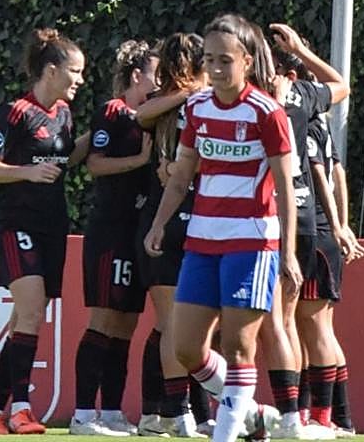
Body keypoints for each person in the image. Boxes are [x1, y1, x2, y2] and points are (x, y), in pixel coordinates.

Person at [145, 14, 301, 442]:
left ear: (246, 61)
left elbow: (285, 187)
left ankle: (227, 433)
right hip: (201, 242)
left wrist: (287, 252)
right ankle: (252, 416)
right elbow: (181, 176)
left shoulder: (267, 113)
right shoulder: (196, 107)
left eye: (224, 60)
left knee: (238, 348)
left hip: (251, 244)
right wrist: (159, 224)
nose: (215, 69)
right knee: (186, 347)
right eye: (209, 59)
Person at [0, 29, 88, 435]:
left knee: (30, 315)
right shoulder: (15, 112)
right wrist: (26, 171)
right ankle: (21, 409)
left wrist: (96, 139)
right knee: (31, 307)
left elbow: (63, 159)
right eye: (74, 72)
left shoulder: (63, 114)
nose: (79, 80)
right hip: (16, 224)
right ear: (52, 70)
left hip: (52, 226)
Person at [256, 25, 350, 440]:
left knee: (278, 324)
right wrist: (300, 50)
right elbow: (340, 85)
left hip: (271, 215)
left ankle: (293, 416)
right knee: (291, 323)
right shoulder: (306, 97)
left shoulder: (255, 100)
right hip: (306, 217)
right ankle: (319, 419)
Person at [71, 41, 158, 436]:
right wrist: (139, 161)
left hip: (134, 233)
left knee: (125, 324)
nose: (161, 82)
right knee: (103, 319)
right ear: (137, 75)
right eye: (156, 73)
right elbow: (95, 164)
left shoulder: (152, 118)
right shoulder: (114, 111)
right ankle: (83, 413)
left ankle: (111, 412)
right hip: (109, 230)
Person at [134, 34, 211, 438]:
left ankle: (184, 411)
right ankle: (174, 411)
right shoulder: (167, 104)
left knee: (190, 325)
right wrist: (189, 93)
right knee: (172, 323)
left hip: (197, 218)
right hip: (167, 217)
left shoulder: (208, 101)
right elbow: (140, 115)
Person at [297, 113, 363, 437]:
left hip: (316, 235)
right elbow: (339, 172)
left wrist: (337, 226)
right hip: (326, 234)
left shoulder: (305, 125)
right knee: (318, 328)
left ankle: (320, 416)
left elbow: (324, 174)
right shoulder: (319, 124)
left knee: (313, 328)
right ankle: (341, 418)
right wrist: (343, 224)